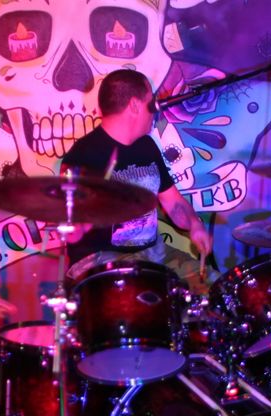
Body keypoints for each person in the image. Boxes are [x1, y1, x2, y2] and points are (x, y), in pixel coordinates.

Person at [60, 69, 213, 286]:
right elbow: (70, 226)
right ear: (134, 105)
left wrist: (195, 224)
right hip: (100, 260)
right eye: (150, 102)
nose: (154, 111)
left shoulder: (147, 146)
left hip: (153, 254)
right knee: (146, 294)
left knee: (213, 286)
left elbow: (173, 203)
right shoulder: (83, 156)